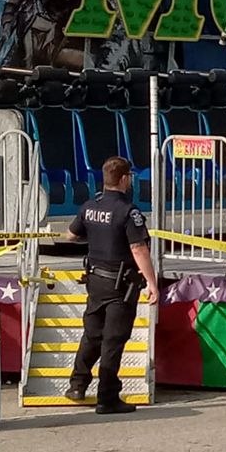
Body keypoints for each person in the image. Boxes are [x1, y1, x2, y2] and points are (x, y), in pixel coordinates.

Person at [62, 156, 158, 414]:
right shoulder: (129, 211)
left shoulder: (90, 205)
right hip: (120, 284)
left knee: (92, 334)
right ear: (125, 178)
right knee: (113, 340)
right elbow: (138, 249)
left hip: (95, 281)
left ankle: (77, 385)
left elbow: (71, 235)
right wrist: (152, 283)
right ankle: (107, 397)